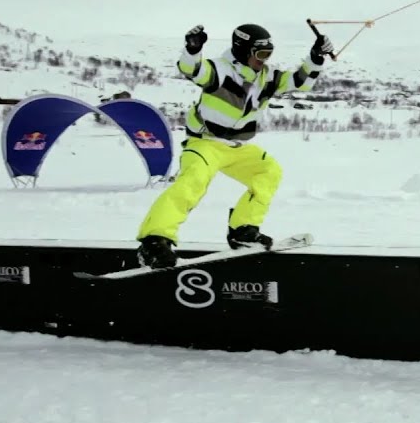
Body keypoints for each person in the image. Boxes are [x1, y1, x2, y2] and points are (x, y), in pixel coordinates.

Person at [134, 22, 333, 268]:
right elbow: (192, 69)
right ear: (243, 50)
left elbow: (300, 82)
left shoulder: (268, 77)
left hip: (237, 148)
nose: (264, 60)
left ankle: (243, 231)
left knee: (268, 170)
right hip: (205, 143)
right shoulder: (220, 70)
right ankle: (154, 242)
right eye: (260, 54)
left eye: (268, 54)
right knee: (192, 181)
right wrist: (192, 49)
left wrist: (316, 57)